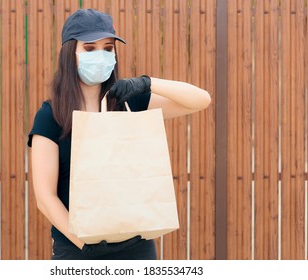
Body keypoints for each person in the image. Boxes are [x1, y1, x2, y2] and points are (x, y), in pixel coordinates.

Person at [27, 9, 211, 260]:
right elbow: (45, 198)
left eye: (108, 48)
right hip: (77, 249)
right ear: (70, 54)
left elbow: (200, 100)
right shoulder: (51, 115)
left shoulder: (128, 101)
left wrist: (147, 83)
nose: (100, 55)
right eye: (90, 49)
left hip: (136, 245)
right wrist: (84, 244)